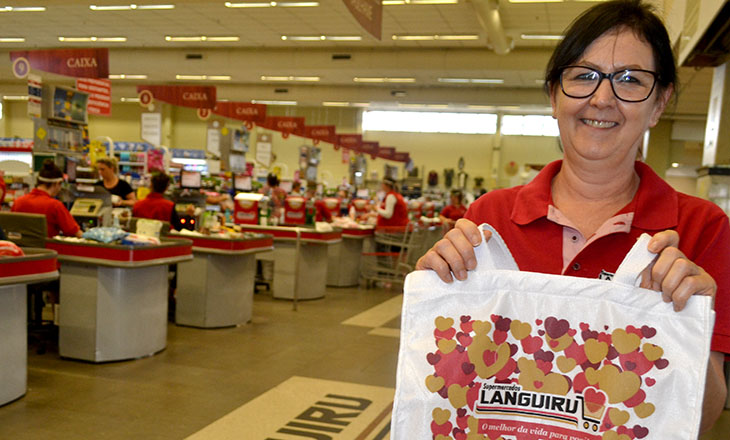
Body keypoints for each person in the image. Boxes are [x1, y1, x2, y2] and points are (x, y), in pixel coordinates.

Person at [415, 0, 728, 433]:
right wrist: (438, 302)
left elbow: (703, 416)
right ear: (553, 95)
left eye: (631, 80)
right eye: (584, 76)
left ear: (659, 103)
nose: (602, 99)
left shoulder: (700, 229)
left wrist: (691, 321)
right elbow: (453, 387)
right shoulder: (490, 220)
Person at [12, 159, 82, 238]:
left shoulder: (18, 202)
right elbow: (75, 233)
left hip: (21, 249)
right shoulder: (55, 205)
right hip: (49, 249)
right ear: (57, 183)